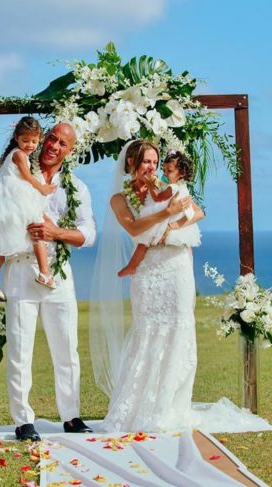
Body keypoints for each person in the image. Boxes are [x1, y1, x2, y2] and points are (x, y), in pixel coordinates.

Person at [89, 139, 198, 433]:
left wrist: (175, 224)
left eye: (155, 161)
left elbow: (195, 213)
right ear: (131, 164)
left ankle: (172, 406)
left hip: (176, 264)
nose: (151, 167)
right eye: (146, 161)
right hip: (148, 269)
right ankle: (140, 407)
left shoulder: (167, 185)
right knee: (147, 329)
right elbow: (135, 228)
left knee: (179, 326)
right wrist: (167, 212)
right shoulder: (119, 198)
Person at [4, 122, 96, 441]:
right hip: (21, 269)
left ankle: (70, 415)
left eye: (62, 143)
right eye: (52, 138)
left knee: (66, 346)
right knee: (20, 345)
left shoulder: (77, 187)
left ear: (70, 151)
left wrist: (56, 233)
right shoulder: (16, 172)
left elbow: (89, 233)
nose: (54, 146)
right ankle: (23, 420)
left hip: (59, 271)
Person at [0, 116, 57, 302]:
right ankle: (44, 273)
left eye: (34, 141)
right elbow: (28, 177)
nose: (30, 145)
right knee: (36, 229)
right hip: (16, 199)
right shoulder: (19, 155)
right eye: (25, 140)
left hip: (8, 201)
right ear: (16, 138)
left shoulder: (15, 154)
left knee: (4, 240)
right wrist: (43, 189)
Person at [118, 150, 204, 277]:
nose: (164, 174)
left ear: (181, 173)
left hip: (165, 226)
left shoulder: (173, 188)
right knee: (144, 243)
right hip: (163, 223)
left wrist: (173, 225)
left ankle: (131, 266)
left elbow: (158, 198)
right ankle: (131, 266)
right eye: (164, 171)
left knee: (144, 242)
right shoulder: (178, 187)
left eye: (169, 171)